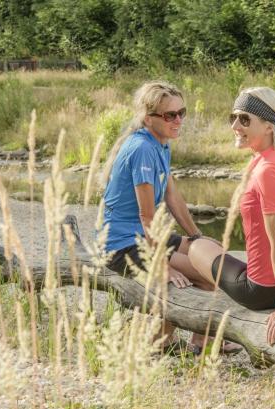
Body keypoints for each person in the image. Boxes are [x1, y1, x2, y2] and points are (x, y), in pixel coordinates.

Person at [102, 80, 238, 353]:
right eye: (170, 115)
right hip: (123, 246)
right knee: (206, 275)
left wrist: (196, 238)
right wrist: (162, 267)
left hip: (145, 237)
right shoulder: (141, 149)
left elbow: (172, 197)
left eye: (181, 113)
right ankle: (161, 341)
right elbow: (146, 215)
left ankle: (194, 340)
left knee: (213, 257)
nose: (178, 120)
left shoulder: (160, 144)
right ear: (147, 117)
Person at [188, 87, 275, 346]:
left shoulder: (266, 170)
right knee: (210, 247)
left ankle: (197, 333)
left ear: (269, 126)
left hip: (260, 289)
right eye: (233, 117)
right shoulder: (274, 157)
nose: (235, 125)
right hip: (269, 281)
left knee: (195, 247)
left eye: (245, 119)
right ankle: (200, 339)